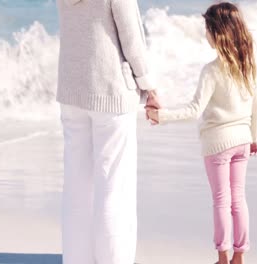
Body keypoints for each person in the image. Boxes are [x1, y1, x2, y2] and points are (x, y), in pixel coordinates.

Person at [146, 2, 257, 264]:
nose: (205, 34)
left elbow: (194, 110)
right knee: (238, 199)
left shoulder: (211, 71)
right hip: (243, 140)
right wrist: (254, 136)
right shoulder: (248, 64)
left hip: (217, 144)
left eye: (207, 29)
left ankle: (222, 257)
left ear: (218, 31)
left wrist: (160, 116)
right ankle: (239, 256)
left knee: (221, 201)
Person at [56, 0, 160, 263]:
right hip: (110, 91)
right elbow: (131, 38)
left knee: (76, 189)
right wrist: (148, 86)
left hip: (72, 90)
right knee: (114, 189)